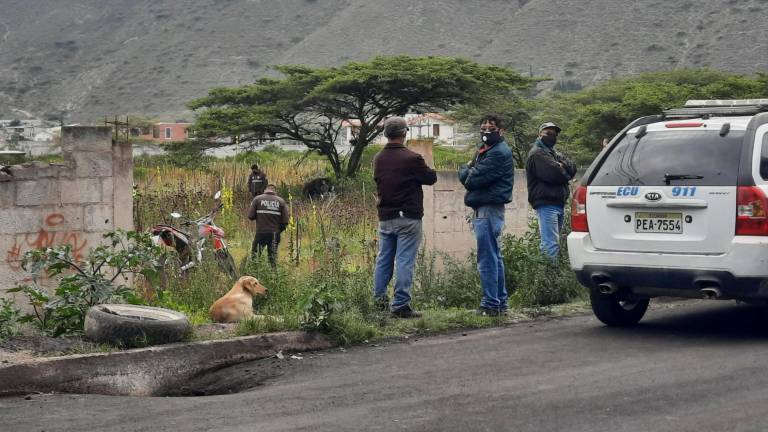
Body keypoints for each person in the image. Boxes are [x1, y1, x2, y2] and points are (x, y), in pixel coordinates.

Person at [373, 116, 437, 318]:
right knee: (404, 261)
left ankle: (379, 301)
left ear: (385, 134)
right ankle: (400, 305)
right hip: (408, 217)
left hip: (385, 216)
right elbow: (430, 178)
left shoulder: (378, 158)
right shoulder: (412, 158)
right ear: (404, 133)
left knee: (383, 260)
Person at [459, 114, 515, 317]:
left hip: (489, 209)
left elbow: (471, 180)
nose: (486, 131)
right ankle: (499, 302)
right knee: (494, 256)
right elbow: (472, 175)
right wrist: (470, 169)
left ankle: (490, 304)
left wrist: (466, 168)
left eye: (491, 127)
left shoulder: (498, 153)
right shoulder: (487, 151)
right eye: (483, 127)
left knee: (487, 258)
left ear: (501, 131)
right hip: (487, 208)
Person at [525, 122, 577, 260]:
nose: (552, 136)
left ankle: (551, 275)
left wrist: (563, 166)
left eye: (554, 134)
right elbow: (555, 175)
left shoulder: (553, 153)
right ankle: (549, 279)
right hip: (546, 203)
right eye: (548, 133)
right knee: (550, 244)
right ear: (539, 135)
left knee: (554, 242)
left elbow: (573, 168)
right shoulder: (537, 154)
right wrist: (564, 173)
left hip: (557, 202)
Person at [247, 184, 289, 267]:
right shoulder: (281, 201)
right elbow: (285, 221)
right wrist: (278, 231)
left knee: (255, 256)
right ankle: (273, 277)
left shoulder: (257, 199)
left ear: (265, 190)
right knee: (272, 259)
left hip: (261, 233)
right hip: (275, 234)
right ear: (275, 191)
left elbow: (250, 216)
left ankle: (254, 274)